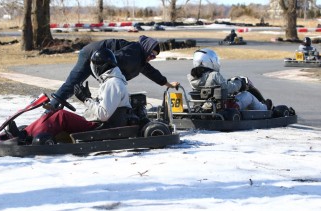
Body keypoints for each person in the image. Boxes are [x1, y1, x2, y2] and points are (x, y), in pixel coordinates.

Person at [21, 48, 132, 144]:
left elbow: (103, 114)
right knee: (53, 114)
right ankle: (25, 132)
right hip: (100, 123)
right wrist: (90, 98)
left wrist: (85, 99)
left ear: (98, 66)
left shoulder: (113, 83)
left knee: (61, 116)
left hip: (101, 127)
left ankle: (29, 136)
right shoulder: (110, 82)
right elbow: (106, 108)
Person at [48, 35, 179, 109]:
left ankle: (54, 104)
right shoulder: (133, 53)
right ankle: (52, 105)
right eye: (151, 54)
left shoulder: (141, 59)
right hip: (91, 54)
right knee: (74, 82)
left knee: (76, 83)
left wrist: (168, 84)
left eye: (154, 56)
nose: (151, 58)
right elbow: (113, 60)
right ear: (146, 49)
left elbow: (152, 72)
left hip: (96, 56)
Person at [187, 48, 272, 111]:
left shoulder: (191, 77)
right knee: (247, 95)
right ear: (209, 61)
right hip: (223, 106)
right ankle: (264, 109)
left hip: (202, 105)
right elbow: (229, 89)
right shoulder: (214, 75)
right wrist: (240, 82)